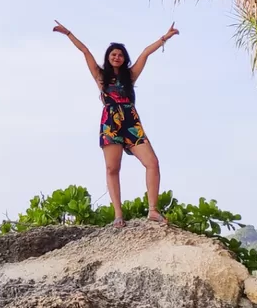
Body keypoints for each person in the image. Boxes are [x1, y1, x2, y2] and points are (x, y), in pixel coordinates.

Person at [54, 19, 178, 227]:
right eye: (113, 54)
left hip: (130, 120)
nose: (117, 57)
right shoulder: (101, 76)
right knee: (112, 168)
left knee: (152, 163)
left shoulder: (130, 76)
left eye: (120, 55)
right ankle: (118, 215)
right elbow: (85, 51)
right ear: (108, 57)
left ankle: (154, 211)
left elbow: (146, 53)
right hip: (111, 122)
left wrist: (165, 37)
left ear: (124, 58)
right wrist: (68, 33)